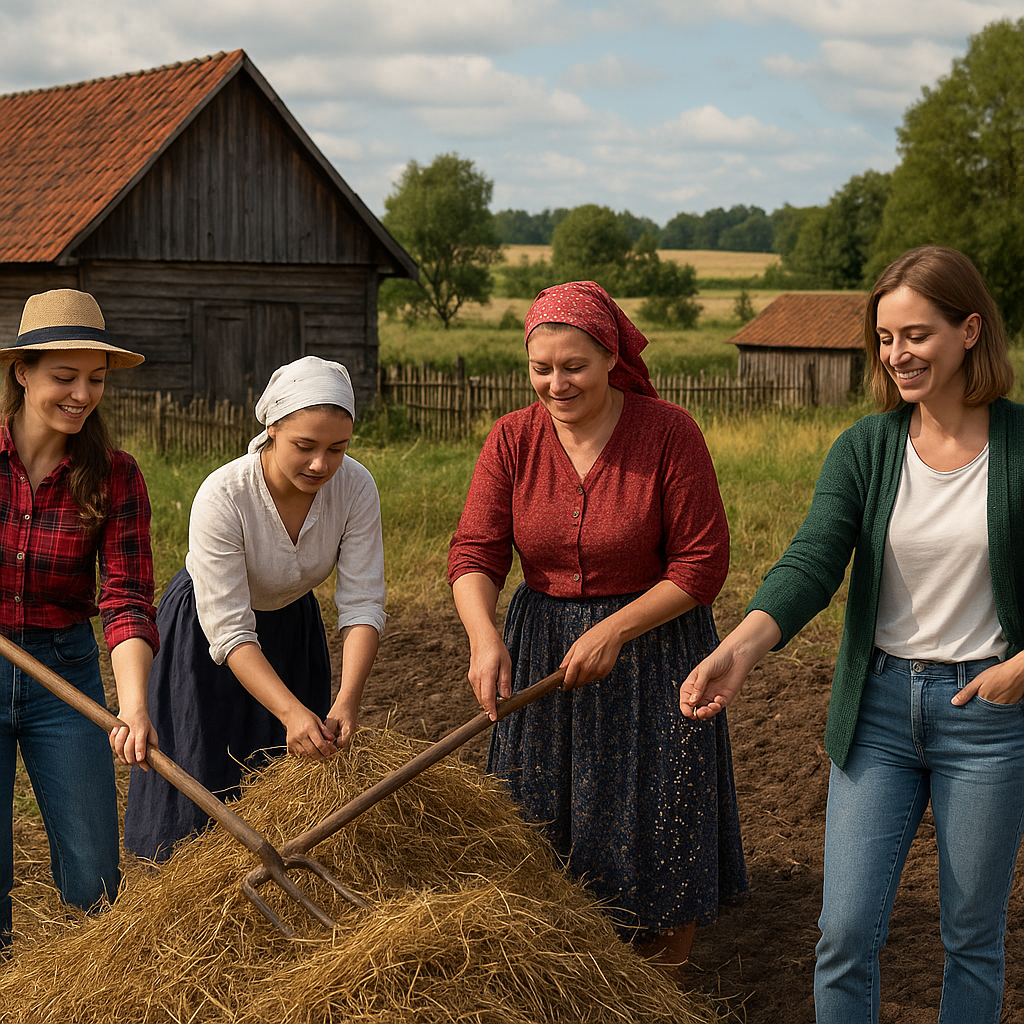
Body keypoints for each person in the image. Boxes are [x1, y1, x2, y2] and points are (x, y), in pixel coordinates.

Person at [681, 245, 1024, 1023]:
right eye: (885, 338)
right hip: (877, 712)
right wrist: (740, 648)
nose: (897, 354)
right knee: (843, 933)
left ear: (970, 331)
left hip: (989, 713)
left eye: (917, 335)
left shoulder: (1020, 447)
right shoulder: (866, 449)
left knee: (972, 935)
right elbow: (811, 560)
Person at [447, 280, 748, 968]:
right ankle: (562, 963)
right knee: (539, 808)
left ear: (611, 356)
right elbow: (475, 553)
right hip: (543, 647)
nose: (557, 383)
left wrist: (615, 629)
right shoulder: (513, 439)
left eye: (574, 366)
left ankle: (663, 972)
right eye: (541, 368)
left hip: (654, 644)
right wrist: (485, 636)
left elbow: (701, 564)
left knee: (657, 803)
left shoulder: (668, 432)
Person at [124, 355, 386, 861]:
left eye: (337, 448)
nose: (320, 465)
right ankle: (186, 900)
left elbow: (362, 603)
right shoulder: (224, 495)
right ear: (270, 429)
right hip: (205, 637)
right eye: (305, 447)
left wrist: (347, 699)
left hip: (291, 630)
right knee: (202, 779)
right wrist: (288, 710)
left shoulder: (355, 488)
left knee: (286, 785)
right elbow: (228, 631)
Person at [0, 288, 158, 945]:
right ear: (22, 372)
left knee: (94, 875)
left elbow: (124, 596)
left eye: (94, 379)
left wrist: (134, 703)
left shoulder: (114, 476)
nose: (81, 394)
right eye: (64, 377)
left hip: (62, 674)